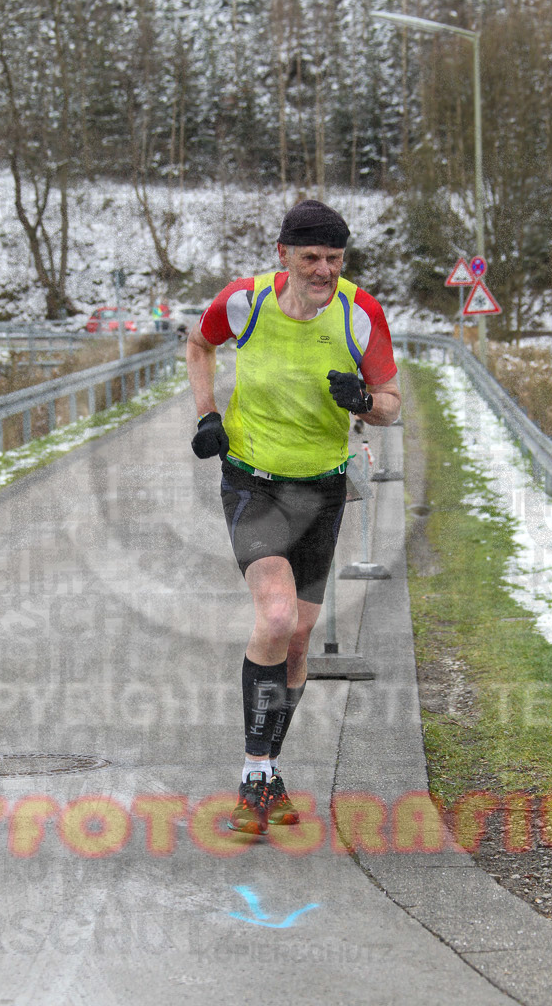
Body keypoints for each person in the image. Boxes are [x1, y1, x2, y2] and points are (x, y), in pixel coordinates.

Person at [186, 199, 400, 836]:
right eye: (311, 258)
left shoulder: (360, 313)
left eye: (335, 259)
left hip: (324, 490)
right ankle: (254, 776)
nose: (324, 271)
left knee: (300, 640)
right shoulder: (244, 303)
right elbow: (198, 343)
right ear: (282, 255)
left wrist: (364, 400)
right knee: (275, 615)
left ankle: (269, 769)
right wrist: (207, 414)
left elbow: (391, 402)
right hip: (252, 482)